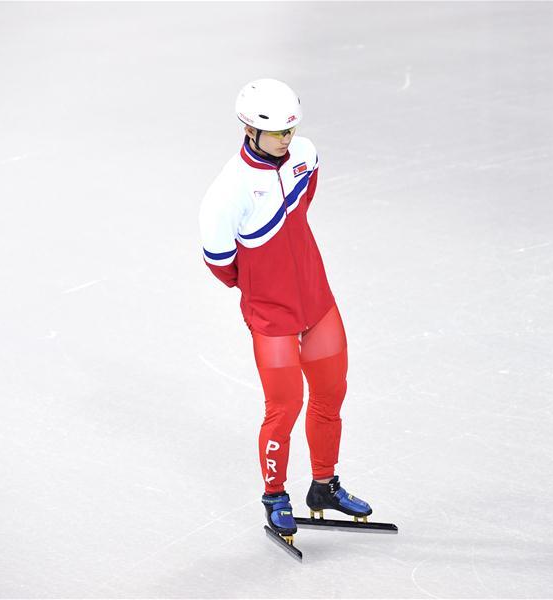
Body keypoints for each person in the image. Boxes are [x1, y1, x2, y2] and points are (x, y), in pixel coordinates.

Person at [199, 79, 372, 541]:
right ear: (249, 129)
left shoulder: (305, 155)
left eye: (291, 132)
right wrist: (261, 286)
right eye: (277, 133)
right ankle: (275, 494)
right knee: (285, 406)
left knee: (331, 395)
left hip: (318, 302)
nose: (286, 141)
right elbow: (220, 263)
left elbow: (304, 201)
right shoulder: (225, 193)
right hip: (272, 318)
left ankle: (324, 485)